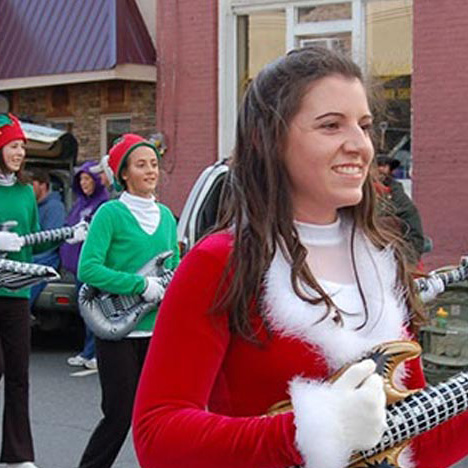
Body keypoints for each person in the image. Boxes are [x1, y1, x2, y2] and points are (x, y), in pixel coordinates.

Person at [132, 47, 468, 468]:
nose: (359, 145)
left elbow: (414, 448)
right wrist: (308, 430)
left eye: (364, 126)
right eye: (331, 126)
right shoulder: (220, 262)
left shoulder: (382, 261)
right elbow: (157, 437)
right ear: (267, 139)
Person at [76, 133, 179, 468]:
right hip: (118, 333)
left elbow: (173, 270)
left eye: (153, 164)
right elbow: (88, 268)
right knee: (119, 416)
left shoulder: (166, 217)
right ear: (123, 173)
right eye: (141, 165)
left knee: (158, 418)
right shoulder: (110, 214)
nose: (151, 171)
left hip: (157, 334)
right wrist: (140, 284)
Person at [0, 113, 84, 468]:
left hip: (16, 295)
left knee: (19, 374)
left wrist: (67, 235)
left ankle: (17, 455)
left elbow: (31, 243)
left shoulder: (23, 193)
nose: (19, 152)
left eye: (21, 146)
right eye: (13, 145)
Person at [61, 161, 109, 370]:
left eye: (88, 178)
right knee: (84, 310)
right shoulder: (80, 202)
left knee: (95, 309)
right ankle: (87, 351)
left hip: (93, 266)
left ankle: (96, 353)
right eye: (81, 179)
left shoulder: (103, 204)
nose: (84, 183)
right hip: (78, 267)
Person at [376, 154, 425, 265]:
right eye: (378, 165)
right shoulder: (355, 193)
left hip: (395, 257)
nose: (381, 170)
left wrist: (406, 262)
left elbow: (415, 233)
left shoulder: (398, 196)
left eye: (385, 166)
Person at [29, 168, 66, 305]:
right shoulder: (32, 206)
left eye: (31, 186)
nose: (27, 190)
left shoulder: (55, 207)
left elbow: (51, 241)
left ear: (43, 186)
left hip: (45, 259)